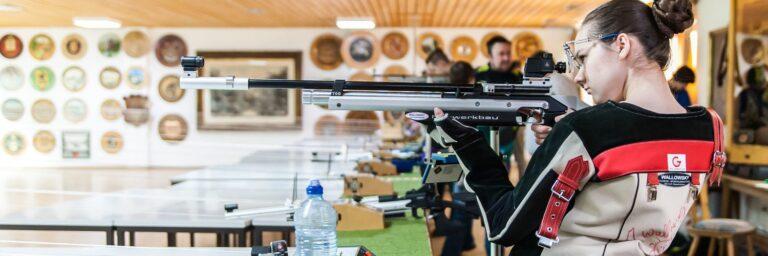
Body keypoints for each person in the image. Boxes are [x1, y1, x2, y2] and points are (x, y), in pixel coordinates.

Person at [421, 0, 725, 255]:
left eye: (583, 57)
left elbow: (503, 226)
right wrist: (574, 132)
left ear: (621, 45)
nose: (578, 76)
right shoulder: (710, 128)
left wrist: (468, 144)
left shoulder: (585, 130)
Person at [440, 61, 478, 256]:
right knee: (462, 210)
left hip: (456, 159)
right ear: (471, 78)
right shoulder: (474, 99)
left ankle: (465, 243)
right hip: (470, 161)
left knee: (461, 207)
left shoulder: (447, 98)